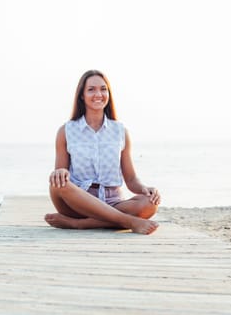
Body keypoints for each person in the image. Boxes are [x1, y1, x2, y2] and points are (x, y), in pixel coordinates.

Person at [45, 70, 160, 235]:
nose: (98, 94)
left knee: (150, 203)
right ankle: (128, 221)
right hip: (77, 202)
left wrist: (144, 188)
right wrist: (61, 172)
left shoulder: (120, 131)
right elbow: (60, 172)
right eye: (91, 89)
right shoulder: (66, 131)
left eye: (103, 89)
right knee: (58, 183)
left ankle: (80, 225)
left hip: (112, 202)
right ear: (82, 95)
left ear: (108, 94)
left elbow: (131, 179)